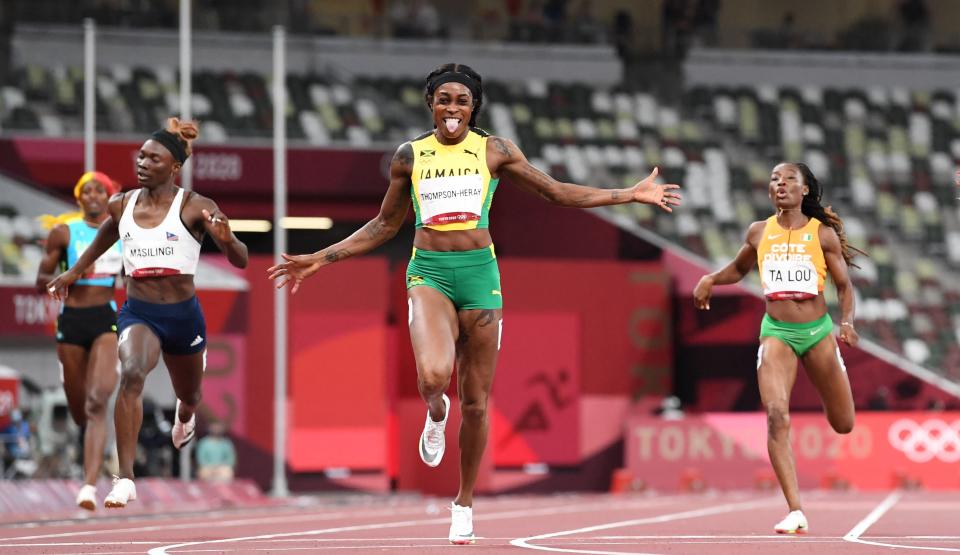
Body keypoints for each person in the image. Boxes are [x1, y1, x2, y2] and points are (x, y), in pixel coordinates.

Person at [268, 63, 681, 544]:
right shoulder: (410, 156)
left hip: (481, 276)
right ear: (430, 103)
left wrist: (628, 194)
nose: (452, 109)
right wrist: (321, 258)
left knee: (478, 404)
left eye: (462, 101)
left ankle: (462, 503)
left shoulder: (494, 151)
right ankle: (435, 413)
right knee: (433, 376)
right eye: (444, 99)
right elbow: (384, 225)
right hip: (429, 273)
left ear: (474, 107)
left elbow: (556, 192)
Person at [47, 118, 248, 508]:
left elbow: (239, 259)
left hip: (183, 317)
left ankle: (184, 413)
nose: (141, 163)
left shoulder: (195, 206)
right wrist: (73, 271)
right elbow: (107, 234)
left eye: (152, 158)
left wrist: (228, 239)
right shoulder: (121, 203)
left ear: (173, 168)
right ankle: (124, 477)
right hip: (139, 311)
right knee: (133, 372)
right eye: (140, 156)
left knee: (189, 395)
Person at [693, 162, 861, 534]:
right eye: (774, 179)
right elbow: (738, 270)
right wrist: (710, 278)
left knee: (844, 423)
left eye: (789, 180)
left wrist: (846, 323)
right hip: (776, 333)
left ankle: (834, 385)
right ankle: (795, 510)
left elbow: (845, 287)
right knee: (776, 415)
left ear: (805, 192)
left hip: (818, 332)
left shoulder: (823, 235)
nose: (780, 184)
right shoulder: (758, 232)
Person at [35, 171, 123, 509]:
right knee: (78, 409)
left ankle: (88, 485)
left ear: (109, 195)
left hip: (104, 318)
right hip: (71, 321)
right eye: (86, 191)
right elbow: (40, 280)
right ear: (78, 198)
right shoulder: (64, 232)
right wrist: (62, 277)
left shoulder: (120, 234)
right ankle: (88, 441)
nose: (93, 197)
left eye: (100, 191)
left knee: (98, 400)